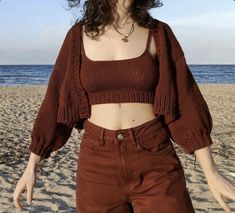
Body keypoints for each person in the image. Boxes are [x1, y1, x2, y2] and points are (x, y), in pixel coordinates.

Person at [13, 0, 235, 212]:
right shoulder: (76, 36)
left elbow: (186, 100)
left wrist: (211, 172)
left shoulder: (159, 32)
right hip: (96, 163)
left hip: (154, 157)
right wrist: (32, 165)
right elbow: (55, 99)